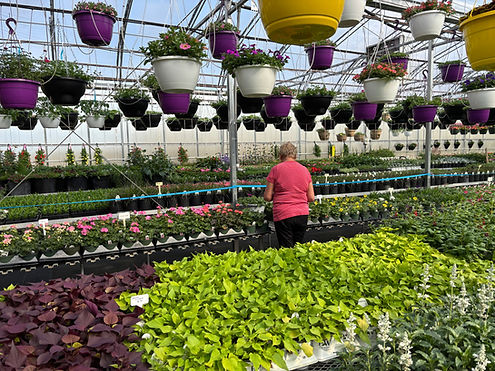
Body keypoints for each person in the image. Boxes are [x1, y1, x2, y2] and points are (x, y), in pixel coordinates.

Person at [263, 142, 315, 248]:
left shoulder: (276, 169)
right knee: (298, 247)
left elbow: (267, 197)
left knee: (286, 250)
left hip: (283, 214)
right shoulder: (305, 170)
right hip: (302, 214)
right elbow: (311, 197)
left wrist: (279, 195)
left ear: (280, 155)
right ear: (295, 155)